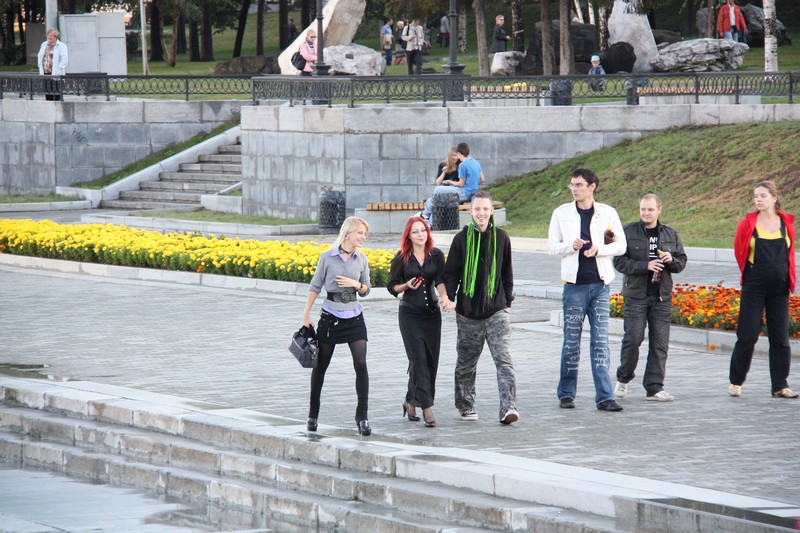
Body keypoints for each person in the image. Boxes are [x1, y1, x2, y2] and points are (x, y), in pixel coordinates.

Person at [548, 168, 627, 412]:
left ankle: (605, 397)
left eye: (579, 185)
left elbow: (620, 245)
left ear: (592, 186)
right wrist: (571, 246)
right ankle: (566, 393)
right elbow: (552, 247)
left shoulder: (607, 213)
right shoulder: (562, 213)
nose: (574, 189)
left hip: (601, 286)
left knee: (600, 342)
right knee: (571, 342)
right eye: (572, 185)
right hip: (574, 287)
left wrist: (599, 249)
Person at [444, 191, 518, 425]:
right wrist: (450, 297)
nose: (481, 213)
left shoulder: (502, 238)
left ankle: (508, 407)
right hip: (468, 312)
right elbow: (451, 273)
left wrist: (507, 303)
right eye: (477, 209)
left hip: (496, 310)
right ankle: (466, 405)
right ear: (470, 211)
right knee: (466, 363)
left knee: (503, 360)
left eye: (486, 209)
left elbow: (507, 273)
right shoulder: (461, 239)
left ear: (492, 211)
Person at [302, 217, 374, 436]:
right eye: (359, 233)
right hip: (330, 316)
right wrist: (306, 314)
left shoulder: (361, 259)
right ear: (348, 233)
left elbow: (367, 289)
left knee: (361, 364)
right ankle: (313, 415)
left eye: (364, 234)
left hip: (355, 316)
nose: (362, 237)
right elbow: (315, 286)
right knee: (321, 366)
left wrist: (356, 285)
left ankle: (362, 417)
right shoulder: (327, 257)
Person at [612, 194, 688, 402]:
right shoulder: (628, 232)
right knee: (633, 338)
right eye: (643, 209)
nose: (646, 213)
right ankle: (623, 377)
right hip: (636, 296)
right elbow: (619, 262)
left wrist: (671, 260)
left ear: (659, 210)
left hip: (661, 297)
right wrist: (645, 265)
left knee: (659, 343)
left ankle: (654, 387)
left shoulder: (670, 234)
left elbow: (681, 262)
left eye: (650, 209)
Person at [729, 181, 799, 399]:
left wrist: (788, 279)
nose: (758, 200)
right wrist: (753, 274)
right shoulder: (747, 224)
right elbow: (739, 251)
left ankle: (780, 385)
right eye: (756, 196)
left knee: (780, 337)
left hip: (779, 288)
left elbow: (790, 254)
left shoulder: (786, 223)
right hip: (754, 285)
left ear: (774, 198)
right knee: (747, 335)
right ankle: (736, 381)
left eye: (762, 196)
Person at [388, 217, 453, 428]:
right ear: (408, 235)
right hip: (409, 314)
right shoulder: (402, 258)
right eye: (415, 231)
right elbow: (392, 287)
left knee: (430, 361)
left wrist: (444, 297)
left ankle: (410, 400)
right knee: (418, 360)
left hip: (432, 315)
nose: (420, 235)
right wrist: (406, 285)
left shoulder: (436, 255)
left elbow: (440, 280)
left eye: (423, 230)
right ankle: (427, 407)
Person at [420, 142, 483, 223]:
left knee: (437, 190)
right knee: (435, 201)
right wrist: (472, 183)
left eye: (457, 155)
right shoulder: (476, 162)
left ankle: (425, 214)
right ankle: (428, 220)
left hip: (464, 193)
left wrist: (449, 181)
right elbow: (482, 179)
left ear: (459, 153)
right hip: (472, 193)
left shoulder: (463, 165)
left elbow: (461, 184)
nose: (457, 157)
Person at [37, 28, 68, 101]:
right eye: (48, 35)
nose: (49, 37)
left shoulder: (61, 46)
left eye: (51, 35)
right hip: (46, 72)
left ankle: (57, 105)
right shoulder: (44, 45)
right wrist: (40, 66)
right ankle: (49, 105)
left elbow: (64, 60)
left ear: (55, 36)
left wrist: (59, 68)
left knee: (57, 91)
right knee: (48, 92)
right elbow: (40, 56)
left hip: (56, 72)